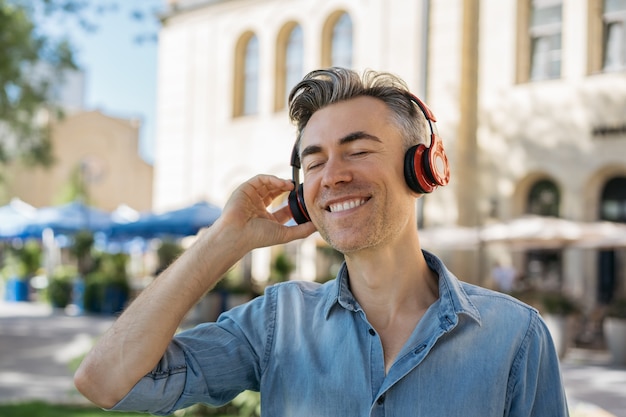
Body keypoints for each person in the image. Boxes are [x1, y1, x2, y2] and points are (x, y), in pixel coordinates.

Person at [74, 68, 569, 416]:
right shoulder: (275, 323)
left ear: (423, 168)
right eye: (313, 163)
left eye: (358, 150)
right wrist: (222, 243)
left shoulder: (515, 336)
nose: (332, 177)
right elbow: (105, 382)